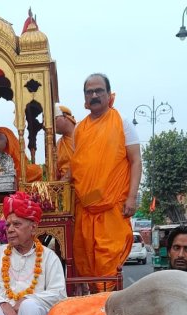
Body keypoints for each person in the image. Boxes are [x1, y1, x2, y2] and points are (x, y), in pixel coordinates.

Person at [69, 73, 141, 283]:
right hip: (85, 211)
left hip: (112, 209)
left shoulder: (122, 123)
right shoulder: (79, 129)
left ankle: (107, 312)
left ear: (109, 94)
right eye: (89, 91)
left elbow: (136, 161)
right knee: (87, 268)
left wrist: (132, 197)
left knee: (108, 268)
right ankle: (93, 311)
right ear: (84, 97)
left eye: (99, 90)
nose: (94, 95)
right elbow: (78, 166)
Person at [54, 103, 76, 181]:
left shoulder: (83, 133)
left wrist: (65, 179)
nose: (52, 125)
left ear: (65, 116)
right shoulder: (58, 144)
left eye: (54, 119)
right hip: (64, 189)